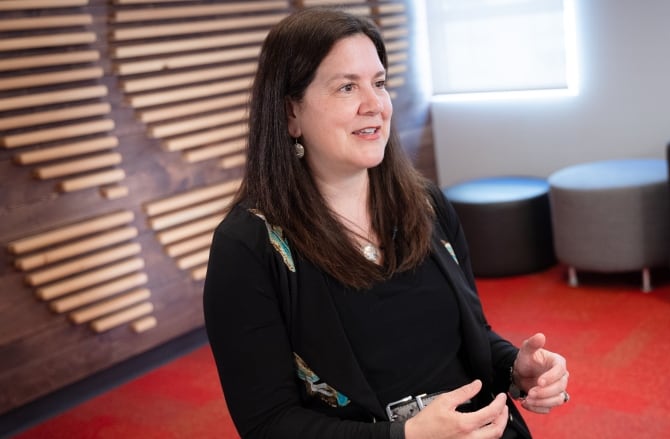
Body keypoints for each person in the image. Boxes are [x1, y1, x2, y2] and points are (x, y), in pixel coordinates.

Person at [203, 7, 570, 439]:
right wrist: (406, 436)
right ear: (290, 114)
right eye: (346, 87)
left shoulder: (427, 205)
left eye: (378, 83)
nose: (374, 104)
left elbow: (471, 338)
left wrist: (515, 369)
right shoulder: (248, 247)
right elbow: (269, 424)